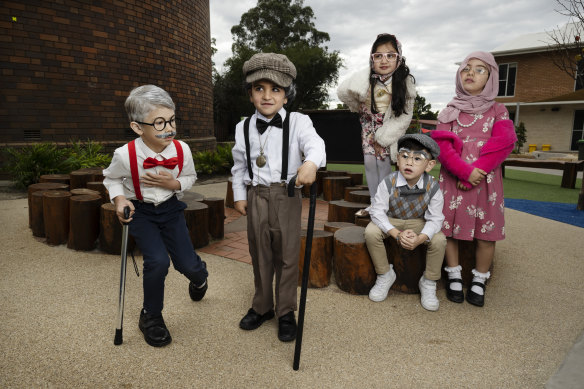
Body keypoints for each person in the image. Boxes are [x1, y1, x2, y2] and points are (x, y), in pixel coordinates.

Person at [103, 84, 209, 347]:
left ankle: (199, 277)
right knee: (158, 261)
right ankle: (151, 316)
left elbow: (189, 176)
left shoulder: (182, 150)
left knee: (187, 264)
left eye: (172, 120)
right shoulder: (125, 155)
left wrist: (174, 185)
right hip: (142, 212)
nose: (169, 128)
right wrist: (120, 199)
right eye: (159, 123)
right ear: (138, 127)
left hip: (171, 209)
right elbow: (111, 179)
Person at [231, 53, 326, 342]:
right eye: (259, 88)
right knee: (259, 253)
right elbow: (239, 165)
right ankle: (262, 307)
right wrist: (239, 194)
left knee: (286, 255)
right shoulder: (243, 127)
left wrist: (310, 164)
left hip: (287, 195)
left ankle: (286, 311)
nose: (267, 95)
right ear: (250, 94)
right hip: (256, 194)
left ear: (287, 95)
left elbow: (316, 145)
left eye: (275, 89)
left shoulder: (299, 122)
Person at [431, 52, 517, 307]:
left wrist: (475, 172)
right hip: (453, 177)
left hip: (486, 180)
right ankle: (454, 273)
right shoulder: (449, 111)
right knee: (449, 230)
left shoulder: (498, 110)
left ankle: (479, 279)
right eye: (466, 68)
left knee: (486, 233)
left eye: (480, 70)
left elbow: (504, 143)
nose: (470, 72)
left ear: (491, 79)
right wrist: (464, 172)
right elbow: (442, 146)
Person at [364, 134, 446, 311]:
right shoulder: (388, 182)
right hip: (392, 220)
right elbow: (377, 212)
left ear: (430, 165)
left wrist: (420, 238)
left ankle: (429, 281)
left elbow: (435, 219)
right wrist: (397, 234)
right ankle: (385, 274)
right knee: (371, 232)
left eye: (418, 158)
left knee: (439, 240)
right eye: (405, 156)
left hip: (418, 222)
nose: (409, 163)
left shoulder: (433, 187)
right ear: (397, 159)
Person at [337, 33, 416, 216]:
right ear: (372, 59)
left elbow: (405, 116)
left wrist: (383, 138)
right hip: (368, 127)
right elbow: (345, 92)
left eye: (390, 55)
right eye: (378, 56)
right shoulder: (367, 78)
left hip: (388, 128)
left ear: (399, 58)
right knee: (370, 163)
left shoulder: (405, 82)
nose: (384, 60)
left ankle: (385, 205)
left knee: (383, 164)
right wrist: (360, 105)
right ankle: (374, 203)